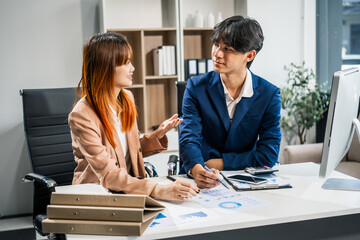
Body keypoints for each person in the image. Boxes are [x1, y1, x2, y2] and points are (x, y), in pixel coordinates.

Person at [69, 32, 198, 201]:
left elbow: (130, 152)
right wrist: (159, 190)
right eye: (126, 62)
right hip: (97, 195)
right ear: (105, 67)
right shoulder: (81, 116)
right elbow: (109, 175)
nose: (133, 68)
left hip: (128, 190)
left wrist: (157, 135)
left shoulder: (126, 98)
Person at [179, 15, 281, 188]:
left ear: (249, 55)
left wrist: (215, 163)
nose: (217, 54)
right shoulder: (196, 87)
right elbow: (189, 139)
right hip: (199, 175)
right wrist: (198, 169)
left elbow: (268, 155)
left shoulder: (269, 94)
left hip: (245, 179)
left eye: (227, 49)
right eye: (216, 45)